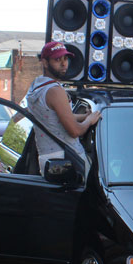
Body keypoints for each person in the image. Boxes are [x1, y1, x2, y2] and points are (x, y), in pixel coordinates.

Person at [25, 41, 101, 175]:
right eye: (57, 59)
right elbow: (75, 131)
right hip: (67, 160)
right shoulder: (55, 91)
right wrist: (90, 120)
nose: (63, 63)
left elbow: (52, 117)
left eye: (65, 59)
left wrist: (84, 116)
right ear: (45, 62)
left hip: (47, 159)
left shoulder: (36, 87)